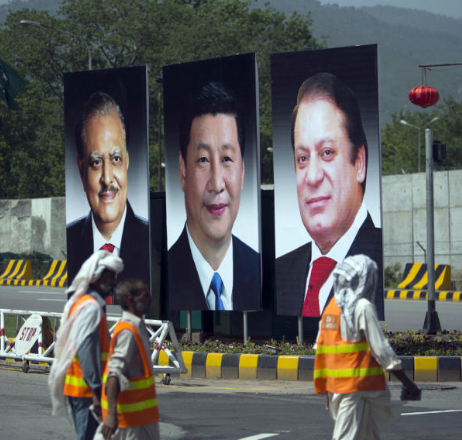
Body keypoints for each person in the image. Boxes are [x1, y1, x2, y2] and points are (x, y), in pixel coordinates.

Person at [275, 72, 383, 318]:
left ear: (360, 162)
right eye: (302, 158)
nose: (312, 177)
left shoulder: (379, 261)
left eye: (326, 153)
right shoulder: (281, 271)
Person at [168, 81, 260, 311]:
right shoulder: (162, 274)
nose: (217, 184)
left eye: (227, 159)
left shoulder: (260, 270)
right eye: (203, 160)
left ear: (242, 171)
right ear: (182, 171)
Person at [314, 255, 420, 440]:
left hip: (339, 388)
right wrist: (408, 383)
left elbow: (322, 350)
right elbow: (381, 350)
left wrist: (327, 390)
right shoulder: (362, 307)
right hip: (356, 388)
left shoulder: (332, 307)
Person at [67, 91, 149, 291]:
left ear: (127, 161)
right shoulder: (72, 240)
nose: (107, 178)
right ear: (81, 170)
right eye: (96, 162)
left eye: (116, 159)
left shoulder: (149, 243)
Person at [48, 250, 125, 440]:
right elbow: (86, 353)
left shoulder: (86, 303)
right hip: (86, 392)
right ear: (97, 277)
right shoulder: (90, 308)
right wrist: (97, 393)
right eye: (111, 277)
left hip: (84, 389)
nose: (115, 282)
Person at [95, 279, 159, 440]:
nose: (150, 298)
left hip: (142, 421)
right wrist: (111, 416)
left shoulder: (137, 326)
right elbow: (113, 374)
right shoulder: (128, 332)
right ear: (131, 300)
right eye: (145, 295)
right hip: (131, 425)